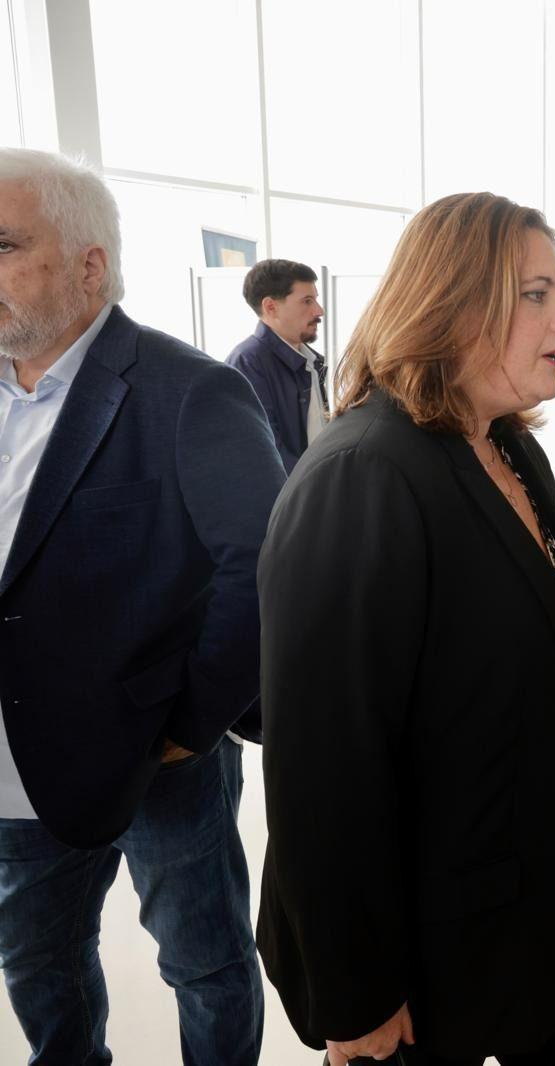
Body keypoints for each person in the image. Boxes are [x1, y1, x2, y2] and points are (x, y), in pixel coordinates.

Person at [255, 191, 555, 1066]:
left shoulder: (508, 447)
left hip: (535, 916)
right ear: (455, 306)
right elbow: (325, 767)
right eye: (538, 294)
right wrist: (358, 996)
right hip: (432, 958)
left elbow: (545, 611)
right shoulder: (362, 476)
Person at [0, 148, 282, 1065]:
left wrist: (192, 724)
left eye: (3, 246)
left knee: (203, 965)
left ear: (88, 264)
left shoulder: (188, 389)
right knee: (38, 962)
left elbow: (264, 567)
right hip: (14, 765)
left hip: (155, 755)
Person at [226, 258, 327, 472]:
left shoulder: (310, 362)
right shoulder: (247, 363)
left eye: (316, 300)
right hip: (293, 500)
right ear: (271, 307)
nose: (319, 311)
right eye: (307, 301)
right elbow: (264, 454)